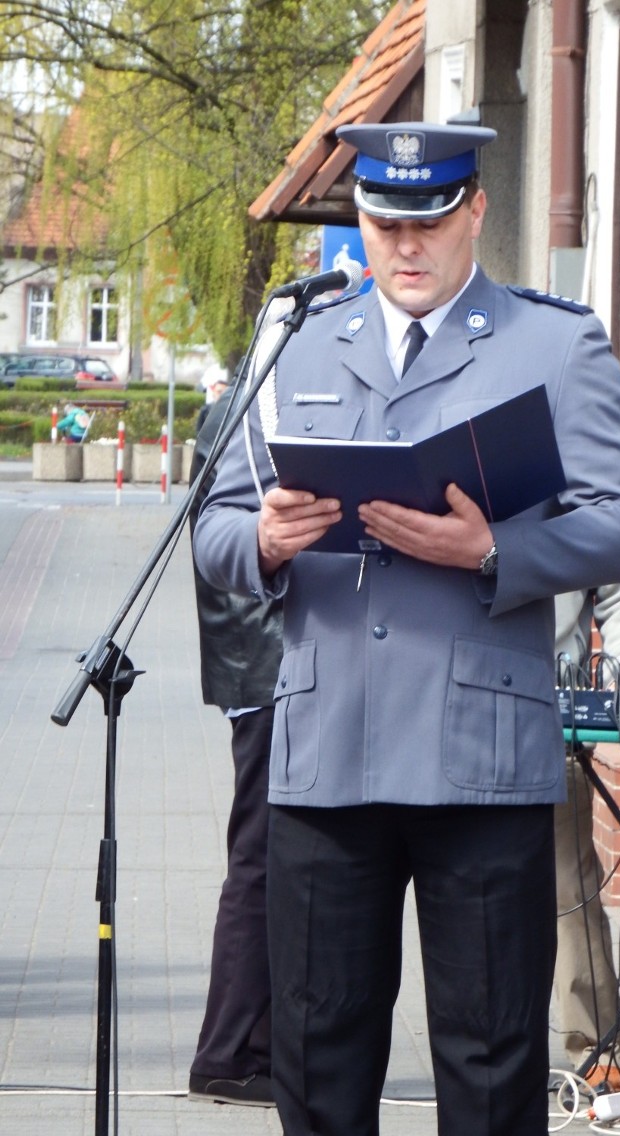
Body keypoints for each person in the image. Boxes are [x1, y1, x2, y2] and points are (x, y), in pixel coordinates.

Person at [193, 121, 620, 1136]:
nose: (405, 247)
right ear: (360, 220)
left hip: (479, 762)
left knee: (491, 1067)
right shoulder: (299, 340)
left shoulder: (556, 341)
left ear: (475, 213)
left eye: (431, 221)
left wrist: (493, 550)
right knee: (316, 1063)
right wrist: (267, 541)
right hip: (326, 757)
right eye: (382, 223)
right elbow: (214, 527)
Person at [186, 380, 282, 1108]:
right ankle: (231, 1050)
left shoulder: (229, 408)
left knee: (263, 857)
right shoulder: (259, 411)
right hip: (270, 666)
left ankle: (252, 1044)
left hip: (253, 666)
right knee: (260, 857)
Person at [553, 579, 620, 1094]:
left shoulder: (580, 494)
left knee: (571, 889)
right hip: (453, 710)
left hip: (552, 711)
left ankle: (598, 1048)